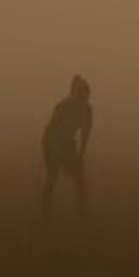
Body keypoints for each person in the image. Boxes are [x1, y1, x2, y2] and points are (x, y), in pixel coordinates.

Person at [42, 75, 94, 220]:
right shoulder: (63, 107)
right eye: (79, 93)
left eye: (84, 94)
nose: (82, 98)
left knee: (79, 177)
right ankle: (45, 213)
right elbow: (54, 131)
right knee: (52, 176)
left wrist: (81, 154)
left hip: (66, 142)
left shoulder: (87, 111)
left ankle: (83, 213)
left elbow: (85, 133)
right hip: (52, 141)